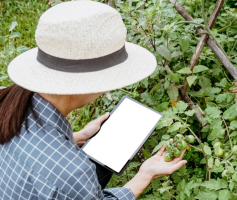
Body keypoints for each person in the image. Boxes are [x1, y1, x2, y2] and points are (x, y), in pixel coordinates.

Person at [0, 1, 187, 200]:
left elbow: (33, 148)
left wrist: (76, 137)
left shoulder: (7, 100)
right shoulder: (73, 174)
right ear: (87, 85)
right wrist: (145, 174)